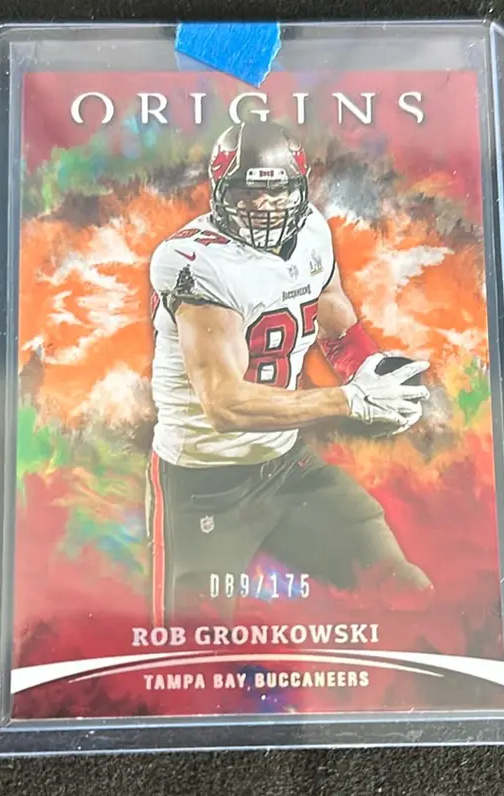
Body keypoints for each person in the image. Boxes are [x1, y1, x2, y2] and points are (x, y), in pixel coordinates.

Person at [146, 120, 431, 624]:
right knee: (194, 638)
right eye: (246, 192)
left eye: (277, 191)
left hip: (285, 463)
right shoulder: (194, 262)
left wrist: (370, 371)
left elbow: (333, 314)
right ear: (218, 192)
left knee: (399, 583)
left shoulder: (313, 231)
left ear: (299, 190)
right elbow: (225, 405)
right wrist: (351, 400)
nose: (263, 205)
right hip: (203, 480)